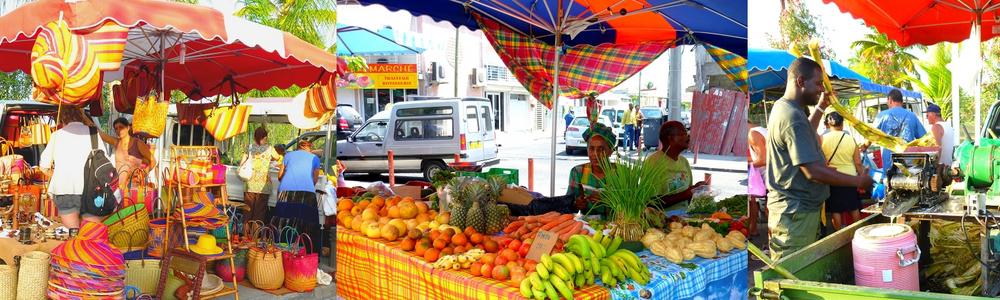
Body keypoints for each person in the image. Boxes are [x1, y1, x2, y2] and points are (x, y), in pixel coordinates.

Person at [766, 57, 872, 260]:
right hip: (795, 215)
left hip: (798, 212)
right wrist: (858, 180)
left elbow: (805, 131)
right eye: (818, 83)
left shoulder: (786, 108)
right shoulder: (792, 116)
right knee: (795, 275)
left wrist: (821, 106)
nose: (821, 89)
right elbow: (812, 171)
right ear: (800, 81)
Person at [40, 108, 111, 229]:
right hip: (90, 191)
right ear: (81, 117)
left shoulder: (56, 136)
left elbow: (44, 167)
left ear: (63, 118)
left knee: (73, 233)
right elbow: (105, 163)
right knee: (90, 234)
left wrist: (58, 175)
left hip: (64, 191)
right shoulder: (93, 133)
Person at [276, 139, 322, 252]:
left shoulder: (288, 155)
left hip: (286, 190)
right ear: (310, 148)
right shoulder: (315, 158)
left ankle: (282, 248)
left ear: (298, 147)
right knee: (306, 222)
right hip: (307, 192)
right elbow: (315, 180)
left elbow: (279, 176)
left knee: (284, 220)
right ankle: (305, 250)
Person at [648, 121, 706, 210]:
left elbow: (688, 194)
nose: (688, 137)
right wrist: (685, 194)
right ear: (671, 138)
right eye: (683, 133)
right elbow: (651, 202)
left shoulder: (684, 162)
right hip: (663, 219)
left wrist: (696, 190)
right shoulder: (653, 163)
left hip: (684, 219)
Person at [820, 112, 863, 231]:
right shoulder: (850, 139)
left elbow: (821, 161)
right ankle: (858, 232)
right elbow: (858, 162)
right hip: (849, 178)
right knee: (853, 207)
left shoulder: (822, 139)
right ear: (842, 124)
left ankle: (839, 235)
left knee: (836, 209)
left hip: (832, 178)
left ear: (828, 124)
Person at [872, 89, 926, 173]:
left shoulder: (882, 116)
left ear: (890, 100)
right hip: (908, 164)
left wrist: (864, 147)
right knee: (909, 183)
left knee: (889, 183)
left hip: (889, 164)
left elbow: (870, 135)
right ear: (902, 101)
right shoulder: (912, 116)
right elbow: (924, 139)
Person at [97, 117, 154, 191]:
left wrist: (143, 174)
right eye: (116, 128)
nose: (118, 130)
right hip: (118, 186)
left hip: (133, 187)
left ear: (128, 128)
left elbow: (153, 161)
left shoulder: (138, 143)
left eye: (121, 127)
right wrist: (86, 121)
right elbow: (102, 135)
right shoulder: (116, 142)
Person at [243, 126, 283, 222]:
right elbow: (279, 158)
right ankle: (255, 235)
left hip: (249, 184)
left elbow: (241, 164)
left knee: (247, 211)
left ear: (254, 137)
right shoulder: (269, 149)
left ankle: (245, 235)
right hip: (263, 186)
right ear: (264, 137)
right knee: (259, 213)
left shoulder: (249, 148)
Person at [747, 120, 768, 236]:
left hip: (771, 177)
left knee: (770, 210)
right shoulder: (763, 130)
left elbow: (763, 160)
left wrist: (748, 163)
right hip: (775, 176)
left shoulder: (752, 134)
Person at [923, 103, 954, 173]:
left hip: (940, 168)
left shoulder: (936, 127)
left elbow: (938, 148)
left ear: (933, 114)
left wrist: (935, 167)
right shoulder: (949, 126)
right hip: (948, 167)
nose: (926, 117)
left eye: (927, 115)